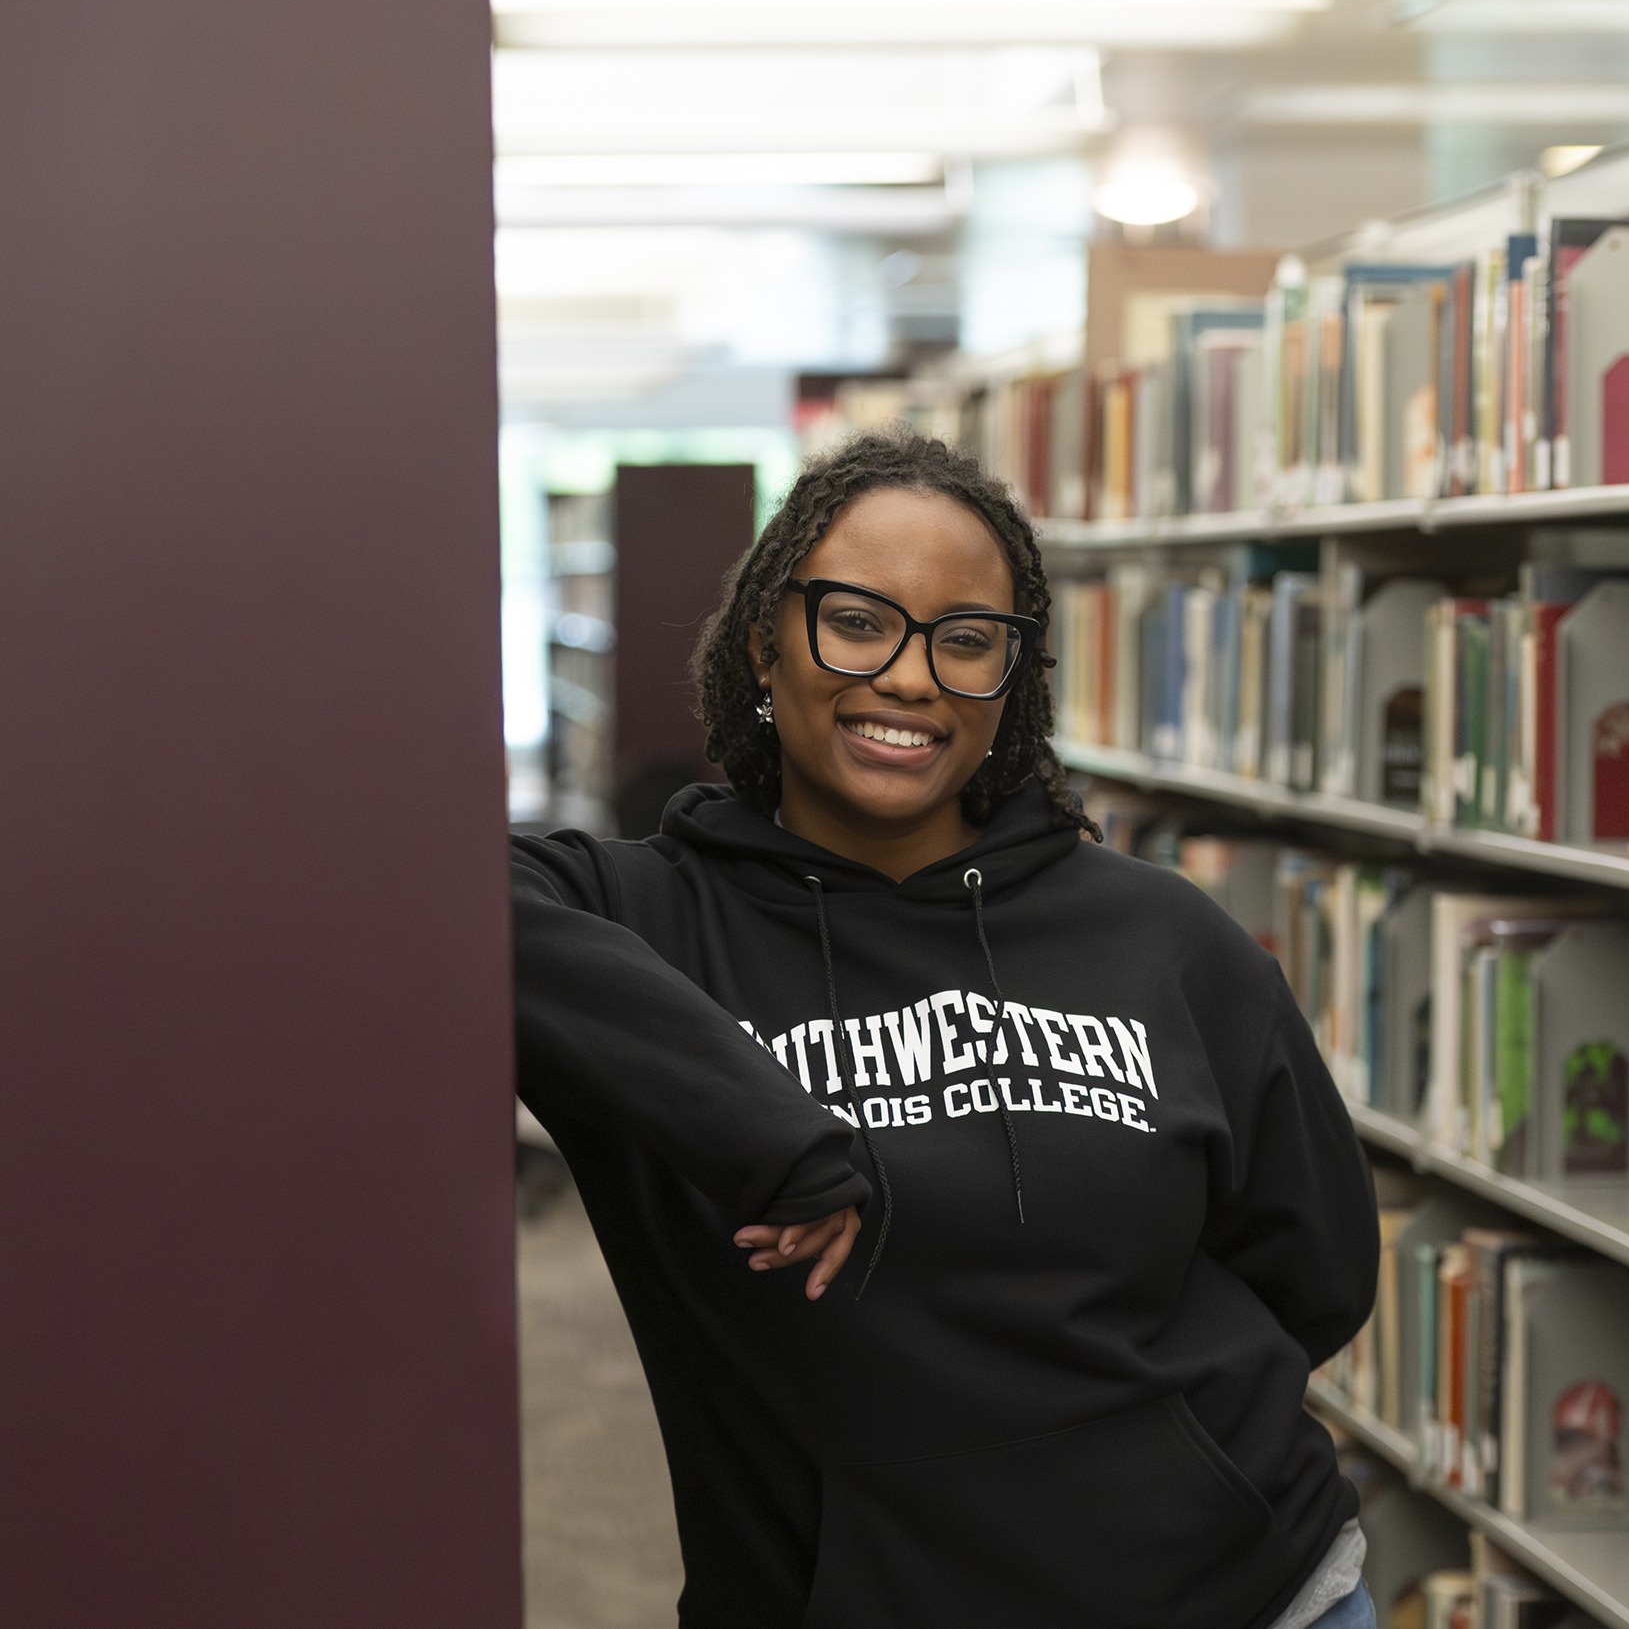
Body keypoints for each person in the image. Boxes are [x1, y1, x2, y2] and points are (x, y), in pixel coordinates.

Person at [511, 429, 1380, 1629]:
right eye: (859, 620)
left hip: (1246, 1596)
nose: (912, 676)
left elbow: (1314, 1271)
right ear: (768, 636)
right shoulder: (652, 914)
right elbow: (444, 894)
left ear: (1010, 679)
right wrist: (770, 1127)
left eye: (967, 640)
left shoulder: (1167, 935)